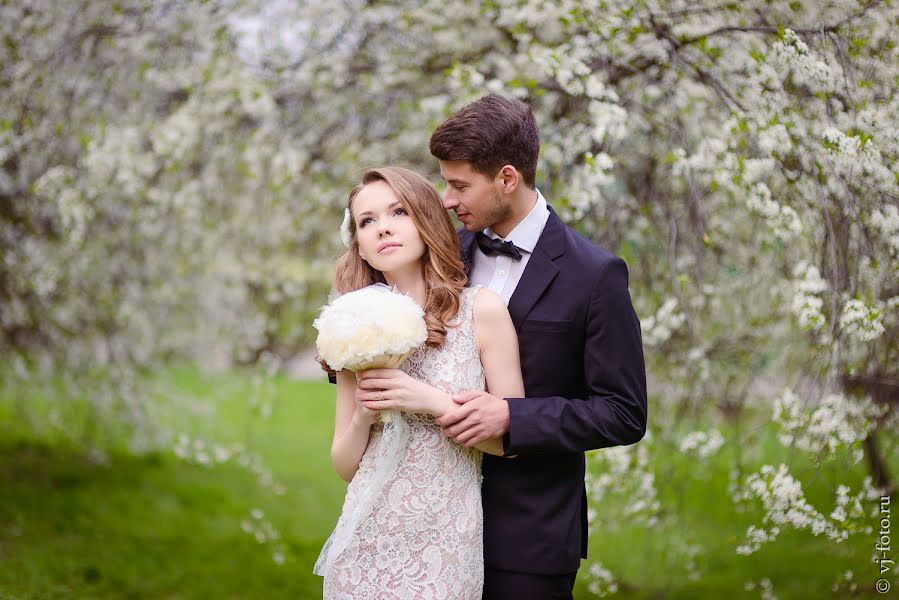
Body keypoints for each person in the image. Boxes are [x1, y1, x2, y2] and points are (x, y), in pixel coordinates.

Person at [429, 94, 648, 599]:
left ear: (508, 178)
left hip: (529, 538)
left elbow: (623, 412)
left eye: (459, 184)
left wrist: (513, 417)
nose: (446, 199)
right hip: (432, 523)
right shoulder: (442, 253)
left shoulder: (595, 276)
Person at [313, 166, 524, 600]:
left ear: (427, 219)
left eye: (398, 212)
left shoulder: (481, 312)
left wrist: (432, 400)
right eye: (366, 221)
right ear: (361, 247)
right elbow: (345, 465)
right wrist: (363, 418)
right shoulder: (357, 324)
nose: (382, 228)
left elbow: (512, 440)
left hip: (443, 544)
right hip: (364, 541)